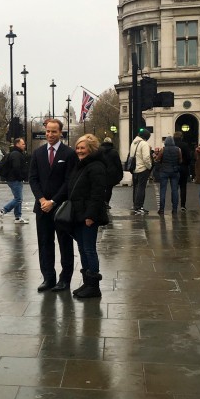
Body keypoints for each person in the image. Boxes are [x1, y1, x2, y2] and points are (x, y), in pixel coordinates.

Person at [28, 119, 78, 292]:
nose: (50, 134)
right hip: (42, 208)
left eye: (54, 131)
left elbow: (69, 181)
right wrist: (42, 200)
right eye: (48, 131)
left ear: (60, 133)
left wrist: (53, 201)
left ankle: (65, 280)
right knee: (44, 243)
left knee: (65, 243)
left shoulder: (69, 154)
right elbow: (33, 179)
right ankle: (48, 278)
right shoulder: (38, 153)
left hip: (61, 207)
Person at [67, 134, 108, 299]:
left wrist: (90, 215)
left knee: (89, 249)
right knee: (82, 248)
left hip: (88, 215)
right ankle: (87, 282)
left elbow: (97, 194)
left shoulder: (96, 166)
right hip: (78, 213)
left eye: (82, 148)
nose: (79, 150)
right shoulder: (81, 165)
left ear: (90, 149)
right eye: (77, 147)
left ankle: (93, 286)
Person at [0, 138, 29, 224]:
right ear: (17, 144)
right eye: (23, 144)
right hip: (15, 179)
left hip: (13, 179)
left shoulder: (14, 153)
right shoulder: (16, 154)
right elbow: (16, 167)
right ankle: (2, 211)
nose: (24, 146)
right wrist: (21, 177)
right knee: (18, 199)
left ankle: (18, 217)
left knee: (17, 198)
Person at [155, 136, 182, 215]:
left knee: (163, 190)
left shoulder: (163, 150)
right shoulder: (178, 149)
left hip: (164, 171)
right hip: (174, 171)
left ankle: (162, 209)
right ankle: (174, 209)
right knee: (174, 190)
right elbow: (180, 160)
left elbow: (157, 159)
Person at [129, 129, 152, 215]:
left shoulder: (133, 143)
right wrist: (149, 166)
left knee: (136, 187)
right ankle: (139, 207)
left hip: (135, 169)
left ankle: (135, 205)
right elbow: (146, 158)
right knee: (141, 188)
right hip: (142, 168)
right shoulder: (144, 144)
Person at [99, 137, 123, 208]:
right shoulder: (114, 152)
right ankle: (106, 202)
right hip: (111, 173)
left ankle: (101, 202)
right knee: (109, 189)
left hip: (101, 172)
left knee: (101, 188)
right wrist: (120, 174)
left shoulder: (99, 151)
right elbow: (118, 164)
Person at [173, 131, 191, 211]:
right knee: (183, 187)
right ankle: (183, 205)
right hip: (183, 167)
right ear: (181, 137)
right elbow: (188, 157)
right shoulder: (185, 145)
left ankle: (174, 205)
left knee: (174, 187)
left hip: (174, 167)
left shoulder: (172, 145)